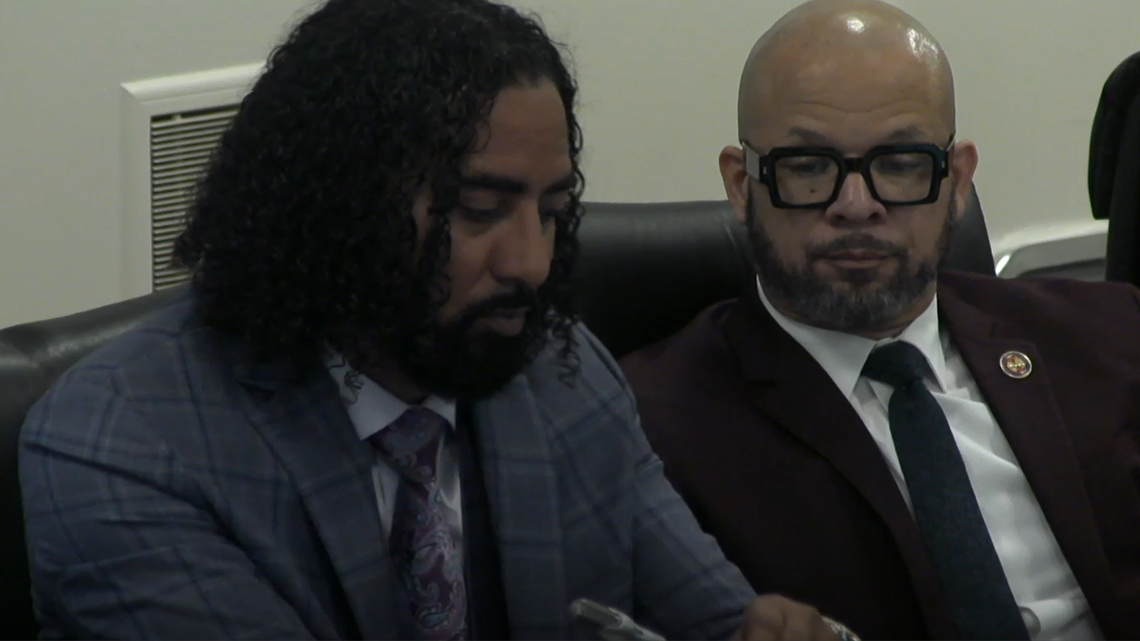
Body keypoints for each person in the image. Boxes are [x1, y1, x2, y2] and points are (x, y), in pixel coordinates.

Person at [17, 1, 857, 639]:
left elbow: (715, 617)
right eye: (478, 209)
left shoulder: (562, 373)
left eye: (555, 208)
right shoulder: (124, 444)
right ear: (339, 206)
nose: (530, 261)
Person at [620, 1, 1140, 640]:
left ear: (957, 180)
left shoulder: (1108, 337)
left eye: (900, 164)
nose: (857, 205)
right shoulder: (651, 427)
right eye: (808, 168)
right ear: (740, 183)